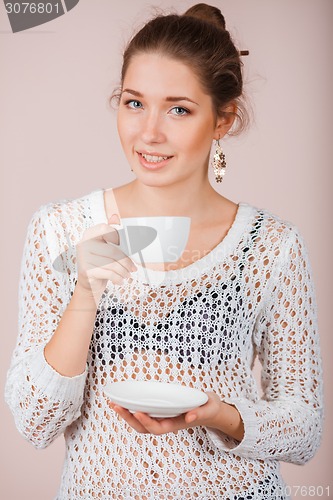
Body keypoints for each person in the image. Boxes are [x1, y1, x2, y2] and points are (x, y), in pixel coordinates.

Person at [5, 3, 323, 499]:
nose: (149, 132)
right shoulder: (59, 229)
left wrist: (220, 416)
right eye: (134, 103)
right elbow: (34, 421)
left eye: (179, 109)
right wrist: (85, 294)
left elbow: (304, 430)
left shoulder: (272, 246)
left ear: (223, 118)